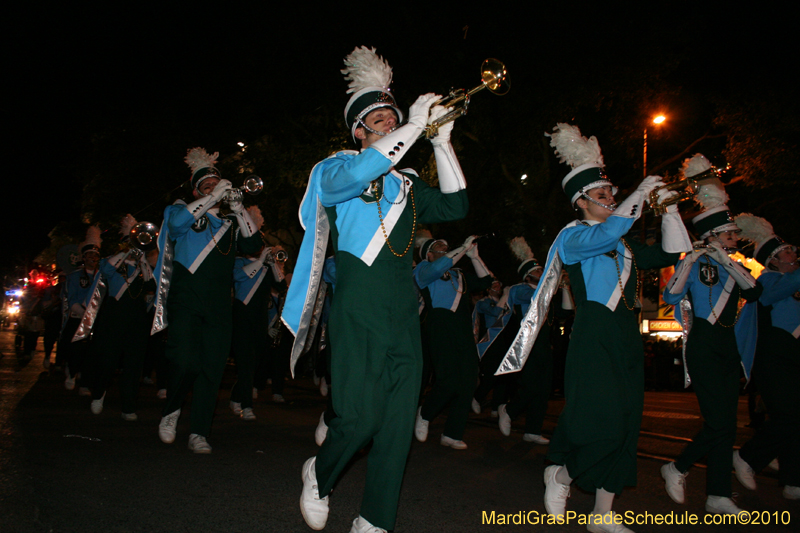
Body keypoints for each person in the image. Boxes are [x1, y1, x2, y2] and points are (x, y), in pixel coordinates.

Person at [284, 47, 469, 533]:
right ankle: (319, 473)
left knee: (397, 422)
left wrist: (442, 140)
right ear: (359, 132)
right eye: (381, 120)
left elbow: (455, 206)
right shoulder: (336, 167)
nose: (392, 124)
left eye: (394, 117)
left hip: (405, 309)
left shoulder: (406, 181)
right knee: (361, 416)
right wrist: (412, 127)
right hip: (359, 303)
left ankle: (375, 518)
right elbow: (360, 174)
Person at [496, 124, 691, 532]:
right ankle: (561, 474)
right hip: (593, 335)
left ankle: (602, 515)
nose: (611, 199)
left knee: (626, 424)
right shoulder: (573, 236)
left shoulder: (624, 244)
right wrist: (637, 197)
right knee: (599, 422)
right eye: (602, 195)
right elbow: (605, 234)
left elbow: (674, 250)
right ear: (580, 201)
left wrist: (669, 207)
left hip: (625, 336)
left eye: (612, 195)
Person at [660, 155, 761, 515]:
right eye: (730, 233)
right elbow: (670, 295)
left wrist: (725, 259)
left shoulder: (735, 265)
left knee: (728, 424)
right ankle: (678, 466)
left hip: (728, 345)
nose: (737, 238)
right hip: (703, 343)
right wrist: (691, 258)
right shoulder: (695, 260)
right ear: (712, 234)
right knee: (718, 421)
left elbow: (752, 293)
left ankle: (718, 493)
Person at [152, 147, 262, 453]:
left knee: (212, 367)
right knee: (185, 361)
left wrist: (239, 209)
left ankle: (199, 431)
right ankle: (171, 410)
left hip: (217, 304)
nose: (215, 186)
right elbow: (175, 227)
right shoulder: (179, 210)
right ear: (196, 190)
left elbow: (253, 243)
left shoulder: (229, 222)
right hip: (186, 298)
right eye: (207, 184)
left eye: (217, 182)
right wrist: (212, 199)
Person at [729, 214, 799, 501]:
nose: (794, 254)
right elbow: (769, 298)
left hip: (792, 356)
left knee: (795, 417)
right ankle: (748, 457)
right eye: (787, 252)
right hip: (774, 359)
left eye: (793, 250)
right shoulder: (768, 280)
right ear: (772, 261)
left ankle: (794, 479)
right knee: (790, 415)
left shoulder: (791, 279)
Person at [413, 235, 493, 449]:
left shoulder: (459, 274)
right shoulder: (422, 270)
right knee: (448, 380)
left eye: (447, 247)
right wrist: (459, 250)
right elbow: (437, 269)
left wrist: (474, 257)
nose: (446, 249)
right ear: (428, 254)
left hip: (462, 329)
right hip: (439, 325)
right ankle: (425, 412)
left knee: (468, 381)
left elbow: (486, 282)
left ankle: (452, 434)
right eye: (439, 247)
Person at [498, 237, 572, 444]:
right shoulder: (519, 290)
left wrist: (565, 287)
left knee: (543, 390)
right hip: (526, 346)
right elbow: (536, 299)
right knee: (530, 387)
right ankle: (509, 410)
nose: (543, 273)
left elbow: (566, 310)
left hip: (543, 346)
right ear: (528, 275)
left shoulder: (546, 292)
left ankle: (533, 430)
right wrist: (554, 280)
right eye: (539, 271)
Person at [85, 215, 156, 420]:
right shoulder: (114, 262)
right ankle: (98, 395)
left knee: (134, 365)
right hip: (113, 319)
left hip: (136, 321)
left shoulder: (143, 268)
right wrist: (126, 251)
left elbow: (152, 284)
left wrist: (142, 257)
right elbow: (105, 270)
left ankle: (128, 406)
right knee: (108, 362)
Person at [231, 229, 287, 421]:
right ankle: (247, 406)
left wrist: (273, 264)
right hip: (241, 317)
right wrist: (261, 261)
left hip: (260, 319)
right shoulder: (238, 262)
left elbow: (281, 286)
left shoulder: (264, 267)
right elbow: (238, 277)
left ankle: (237, 395)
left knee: (254, 363)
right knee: (245, 361)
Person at [60, 227, 102, 392]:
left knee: (91, 353)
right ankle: (71, 373)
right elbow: (72, 300)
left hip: (96, 320)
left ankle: (85, 382)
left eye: (96, 255)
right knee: (76, 351)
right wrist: (86, 315)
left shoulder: (102, 276)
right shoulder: (75, 276)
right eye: (90, 255)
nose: (93, 258)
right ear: (83, 258)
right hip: (79, 318)